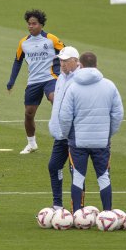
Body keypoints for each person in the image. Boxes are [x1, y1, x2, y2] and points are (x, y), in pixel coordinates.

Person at [57, 52, 124, 214]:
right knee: (103, 177)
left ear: (80, 64)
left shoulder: (73, 87)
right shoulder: (109, 86)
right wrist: (108, 134)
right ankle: (108, 213)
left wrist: (68, 135)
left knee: (79, 177)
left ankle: (77, 214)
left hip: (78, 142)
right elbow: (118, 114)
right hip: (101, 142)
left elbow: (65, 116)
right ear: (96, 65)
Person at [6, 9, 64, 154]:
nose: (30, 26)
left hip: (51, 78)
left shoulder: (51, 39)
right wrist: (11, 81)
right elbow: (17, 61)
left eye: (34, 24)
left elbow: (66, 53)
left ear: (41, 25)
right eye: (29, 24)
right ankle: (31, 144)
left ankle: (65, 136)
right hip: (34, 81)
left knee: (55, 99)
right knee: (29, 113)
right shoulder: (23, 43)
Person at [47, 46, 81, 210]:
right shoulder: (62, 77)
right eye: (61, 60)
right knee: (54, 166)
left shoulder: (80, 79)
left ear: (76, 61)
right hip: (61, 134)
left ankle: (78, 209)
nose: (62, 63)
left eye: (66, 61)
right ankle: (57, 205)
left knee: (76, 171)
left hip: (75, 134)